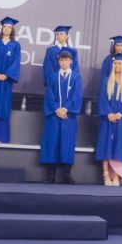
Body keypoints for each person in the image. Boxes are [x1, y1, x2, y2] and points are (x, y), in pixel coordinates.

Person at [40, 50, 82, 184]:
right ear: (58, 62)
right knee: (52, 142)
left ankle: (66, 175)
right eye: (61, 60)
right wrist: (56, 109)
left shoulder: (76, 77)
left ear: (71, 61)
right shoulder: (52, 77)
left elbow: (77, 95)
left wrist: (65, 109)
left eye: (66, 60)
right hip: (54, 115)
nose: (63, 62)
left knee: (67, 143)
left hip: (68, 116)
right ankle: (50, 175)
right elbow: (49, 95)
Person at [96, 53, 122, 186]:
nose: (117, 65)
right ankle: (106, 175)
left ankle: (117, 177)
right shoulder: (106, 81)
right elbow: (102, 99)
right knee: (105, 144)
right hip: (107, 118)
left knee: (119, 145)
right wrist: (108, 113)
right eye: (115, 63)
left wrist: (121, 113)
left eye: (119, 63)